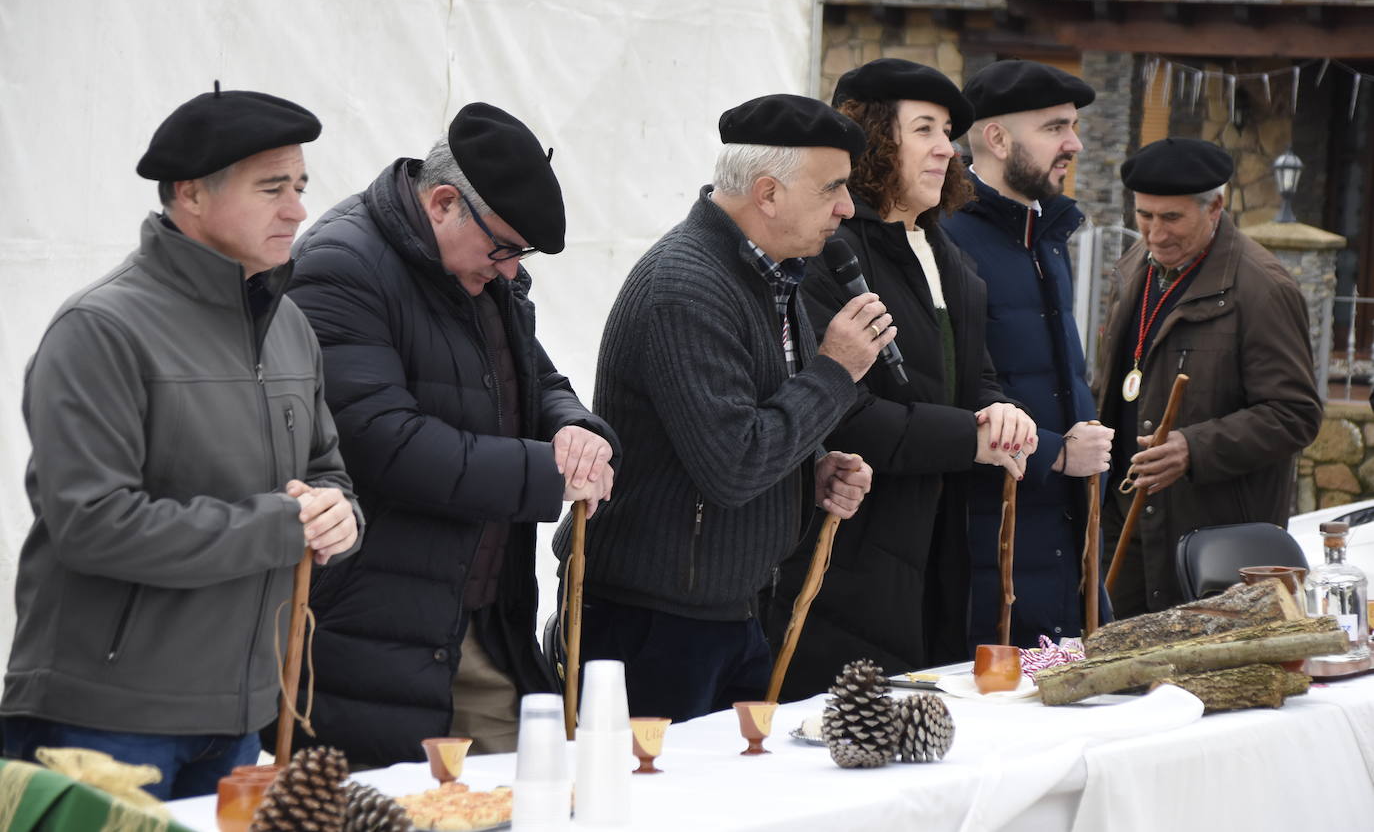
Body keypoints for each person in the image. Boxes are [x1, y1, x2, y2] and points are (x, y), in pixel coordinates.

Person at [0, 86, 361, 799]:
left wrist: (338, 512)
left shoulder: (289, 325)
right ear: (190, 195)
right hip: (103, 721)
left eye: (299, 186)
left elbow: (326, 471)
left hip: (241, 716)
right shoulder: (101, 330)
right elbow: (92, 522)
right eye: (271, 189)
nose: (296, 209)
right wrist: (280, 525)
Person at [285, 103, 618, 766]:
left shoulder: (478, 267)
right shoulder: (341, 264)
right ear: (443, 202)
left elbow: (537, 378)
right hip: (376, 634)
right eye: (504, 248)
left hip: (480, 624)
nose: (511, 271)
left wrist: (577, 429)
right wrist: (551, 474)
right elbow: (388, 445)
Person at [551, 94, 881, 722]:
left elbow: (746, 425)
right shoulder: (686, 286)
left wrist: (812, 470)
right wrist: (836, 371)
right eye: (833, 189)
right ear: (767, 194)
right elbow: (733, 466)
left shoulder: (774, 275)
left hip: (726, 607)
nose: (846, 207)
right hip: (653, 621)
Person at [762, 59, 1037, 698]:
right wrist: (972, 438)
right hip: (846, 557)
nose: (947, 148)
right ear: (874, 141)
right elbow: (841, 410)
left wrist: (1001, 413)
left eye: (947, 131)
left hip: (942, 551)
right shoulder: (828, 252)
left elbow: (978, 380)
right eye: (924, 130)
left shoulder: (951, 259)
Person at [1096, 137, 1323, 616]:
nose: (1155, 235)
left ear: (1215, 207)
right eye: (1145, 216)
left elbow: (1295, 414)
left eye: (1172, 218)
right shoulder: (1135, 266)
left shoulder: (1262, 288)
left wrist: (1193, 448)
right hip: (1127, 523)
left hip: (1212, 546)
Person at [944, 59, 1114, 646]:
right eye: (1055, 128)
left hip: (1064, 534)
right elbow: (945, 390)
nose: (1075, 143)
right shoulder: (945, 238)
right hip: (986, 542)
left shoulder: (1047, 236)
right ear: (996, 137)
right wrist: (1052, 454)